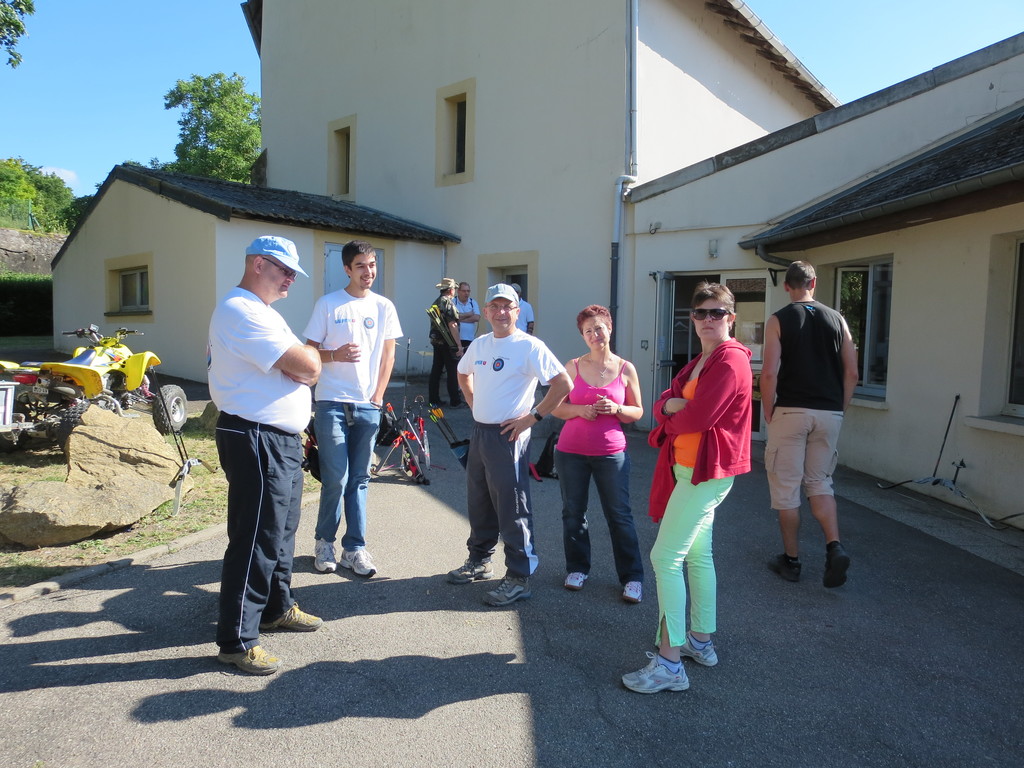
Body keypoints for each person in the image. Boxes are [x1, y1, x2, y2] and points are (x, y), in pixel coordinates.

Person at [622, 282, 752, 694]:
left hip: (705, 471)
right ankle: (699, 640)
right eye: (700, 313)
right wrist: (668, 406)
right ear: (692, 319)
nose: (708, 319)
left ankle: (669, 663)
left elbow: (700, 416)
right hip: (688, 468)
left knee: (664, 558)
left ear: (731, 318)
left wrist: (666, 417)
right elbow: (667, 398)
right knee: (697, 555)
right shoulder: (703, 360)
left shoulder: (731, 359)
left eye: (717, 313)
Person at [208, 235, 324, 676]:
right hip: (256, 436)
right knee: (255, 537)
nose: (291, 279)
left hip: (278, 438)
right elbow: (309, 366)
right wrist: (304, 361)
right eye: (284, 270)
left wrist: (301, 362)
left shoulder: (263, 312)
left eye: (294, 272)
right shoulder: (241, 311)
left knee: (280, 533)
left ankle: (277, 607)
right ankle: (237, 640)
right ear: (258, 264)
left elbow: (302, 364)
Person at [447, 283, 571, 606]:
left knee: (512, 507)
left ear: (518, 312)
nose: (501, 312)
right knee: (479, 501)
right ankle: (479, 559)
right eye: (495, 306)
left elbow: (563, 384)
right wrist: (473, 403)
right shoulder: (479, 345)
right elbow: (462, 374)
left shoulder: (529, 346)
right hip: (480, 433)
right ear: (486, 312)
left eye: (507, 307)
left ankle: (519, 576)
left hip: (509, 436)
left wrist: (533, 417)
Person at [304, 240, 402, 578]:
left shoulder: (384, 307)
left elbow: (388, 354)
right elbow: (308, 352)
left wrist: (378, 396)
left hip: (367, 406)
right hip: (331, 402)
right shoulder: (328, 304)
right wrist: (335, 356)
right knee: (336, 478)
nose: (368, 271)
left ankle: (355, 548)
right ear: (347, 269)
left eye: (372, 265)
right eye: (360, 265)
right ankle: (324, 543)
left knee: (360, 479)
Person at [759, 260, 859, 588]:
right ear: (813, 283)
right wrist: (840, 407)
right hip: (828, 412)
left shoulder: (779, 320)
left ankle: (791, 561)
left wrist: (768, 409)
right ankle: (834, 547)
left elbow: (769, 372)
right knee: (819, 482)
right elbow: (852, 372)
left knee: (787, 488)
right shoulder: (838, 319)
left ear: (786, 286)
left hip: (791, 410)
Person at [552, 304, 645, 603]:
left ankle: (632, 578)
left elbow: (637, 412)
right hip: (571, 452)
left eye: (599, 328)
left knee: (619, 515)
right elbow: (556, 407)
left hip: (611, 453)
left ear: (610, 329)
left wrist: (617, 408)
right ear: (583, 335)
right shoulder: (572, 367)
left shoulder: (626, 368)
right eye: (588, 330)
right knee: (573, 513)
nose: (595, 334)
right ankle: (577, 569)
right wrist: (579, 410)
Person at [428, 277, 464, 406]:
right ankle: (455, 400)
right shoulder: (448, 303)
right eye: (454, 288)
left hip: (436, 341)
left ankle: (434, 399)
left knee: (436, 371)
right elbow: (452, 324)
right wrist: (458, 345)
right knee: (452, 371)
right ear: (450, 290)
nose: (455, 291)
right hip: (448, 342)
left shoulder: (436, 302)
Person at [454, 281, 480, 350]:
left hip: (469, 339)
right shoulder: (453, 302)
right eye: (464, 291)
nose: (466, 293)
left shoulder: (472, 302)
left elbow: (477, 318)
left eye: (468, 291)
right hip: (456, 339)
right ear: (458, 291)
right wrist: (469, 314)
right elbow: (452, 318)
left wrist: (459, 319)